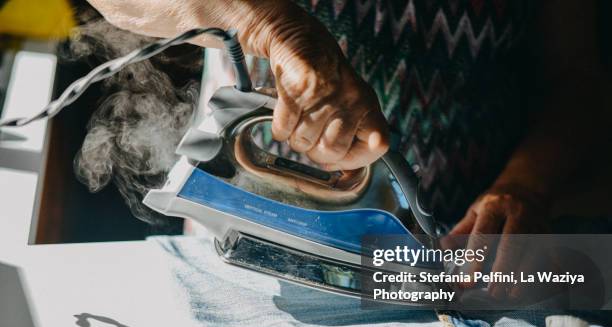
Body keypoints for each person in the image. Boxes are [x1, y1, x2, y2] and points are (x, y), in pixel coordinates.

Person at [84, 0, 608, 293]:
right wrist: (268, 26)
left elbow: (581, 77)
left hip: (483, 239)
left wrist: (524, 184)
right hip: (251, 236)